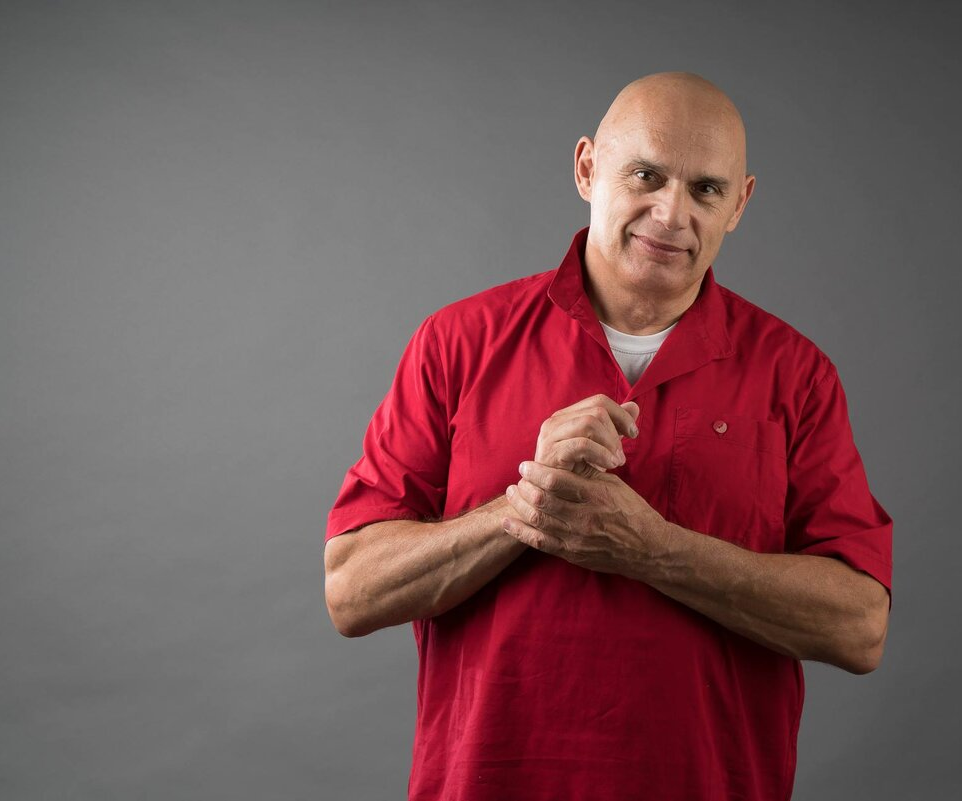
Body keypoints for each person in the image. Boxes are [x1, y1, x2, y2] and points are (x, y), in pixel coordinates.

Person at [324, 72, 892, 801]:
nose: (672, 213)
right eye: (646, 176)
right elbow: (352, 590)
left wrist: (655, 550)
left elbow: (859, 627)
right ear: (588, 168)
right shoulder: (459, 342)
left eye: (706, 190)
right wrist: (524, 507)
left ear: (740, 204)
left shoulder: (796, 374)